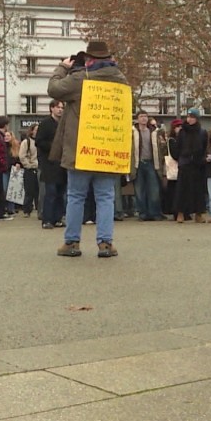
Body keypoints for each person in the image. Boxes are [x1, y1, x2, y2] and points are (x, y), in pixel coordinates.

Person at [48, 41, 125, 258]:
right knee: (105, 197)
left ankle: (72, 242)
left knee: (76, 196)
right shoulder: (120, 80)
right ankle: (105, 243)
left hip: (81, 149)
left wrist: (63, 67)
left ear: (88, 58)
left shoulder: (81, 78)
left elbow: (53, 89)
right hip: (107, 148)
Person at [35, 100, 66, 229]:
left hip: (62, 163)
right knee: (50, 192)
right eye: (58, 107)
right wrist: (53, 147)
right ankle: (47, 219)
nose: (60, 110)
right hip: (49, 163)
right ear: (51, 108)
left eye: (62, 108)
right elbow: (39, 141)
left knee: (60, 193)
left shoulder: (64, 123)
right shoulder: (45, 123)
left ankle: (58, 218)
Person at [174, 107, 208, 223]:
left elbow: (205, 147)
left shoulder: (202, 132)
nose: (190, 119)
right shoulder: (182, 132)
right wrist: (181, 158)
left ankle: (199, 214)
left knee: (198, 190)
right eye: (188, 117)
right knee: (182, 190)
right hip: (185, 164)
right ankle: (180, 213)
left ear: (197, 119)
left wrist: (202, 159)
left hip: (198, 165)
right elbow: (177, 148)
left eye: (192, 117)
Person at [130, 110, 163, 221]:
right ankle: (143, 213)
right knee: (139, 190)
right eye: (141, 116)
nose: (144, 118)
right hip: (138, 164)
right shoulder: (132, 132)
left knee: (154, 189)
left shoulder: (154, 131)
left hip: (151, 163)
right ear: (137, 119)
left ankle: (154, 213)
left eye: (145, 116)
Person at [18, 125, 40, 218]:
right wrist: (28, 165)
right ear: (32, 131)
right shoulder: (26, 142)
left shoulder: (41, 141)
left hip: (39, 168)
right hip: (30, 169)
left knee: (39, 191)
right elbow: (22, 156)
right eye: (36, 130)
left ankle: (40, 210)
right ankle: (27, 210)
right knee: (29, 191)